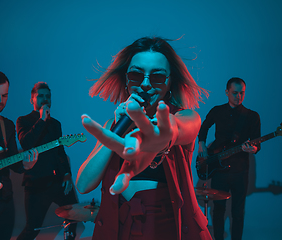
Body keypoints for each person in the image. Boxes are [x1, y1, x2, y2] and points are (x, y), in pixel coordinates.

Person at [76, 36, 212, 240]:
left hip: (164, 230)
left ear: (169, 82)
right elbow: (84, 184)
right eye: (136, 75)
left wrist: (163, 134)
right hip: (118, 228)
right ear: (126, 79)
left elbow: (178, 128)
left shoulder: (184, 116)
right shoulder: (112, 125)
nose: (146, 84)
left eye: (157, 77)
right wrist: (117, 131)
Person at [197, 77, 261, 240]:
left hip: (240, 170)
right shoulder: (217, 111)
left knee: (238, 212)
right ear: (226, 92)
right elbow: (203, 128)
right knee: (218, 210)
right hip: (218, 168)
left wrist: (252, 149)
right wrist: (202, 144)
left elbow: (257, 143)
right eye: (234, 93)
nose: (238, 96)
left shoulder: (252, 116)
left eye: (242, 93)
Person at [16, 82, 78, 240]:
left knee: (75, 214)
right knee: (32, 229)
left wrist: (67, 174)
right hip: (35, 184)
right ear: (32, 99)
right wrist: (42, 119)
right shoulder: (23, 120)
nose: (45, 99)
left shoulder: (56, 124)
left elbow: (60, 151)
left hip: (56, 181)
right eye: (41, 96)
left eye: (48, 96)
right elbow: (26, 143)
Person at [0, 70, 38, 240]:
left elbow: (13, 161)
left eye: (5, 96)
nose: (0, 101)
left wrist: (25, 165)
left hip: (5, 199)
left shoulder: (6, 125)